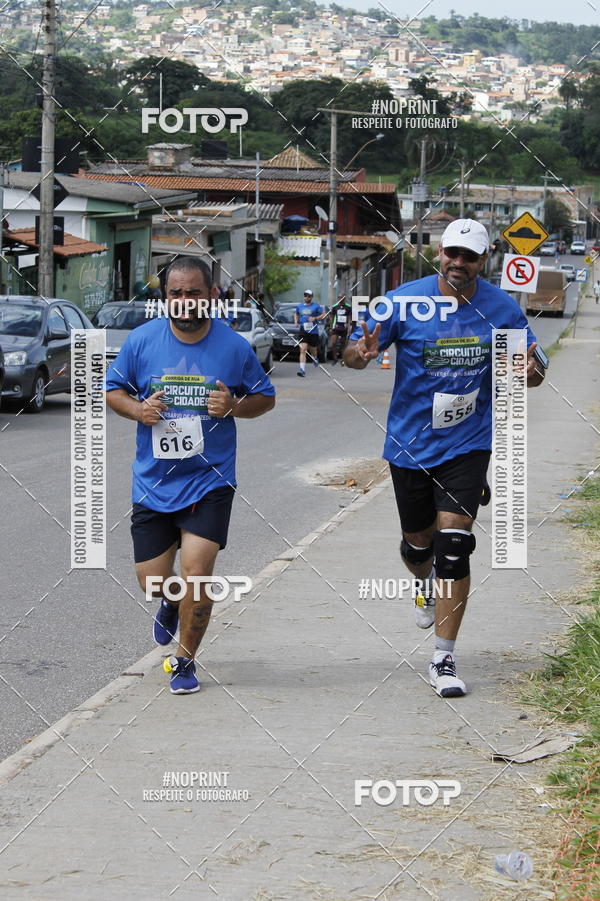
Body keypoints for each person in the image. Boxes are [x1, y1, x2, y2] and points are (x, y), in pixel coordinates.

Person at [344, 219, 545, 698]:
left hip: (468, 442)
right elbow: (352, 353)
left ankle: (443, 658)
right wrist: (361, 353)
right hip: (410, 444)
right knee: (418, 546)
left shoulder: (502, 308)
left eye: (469, 256)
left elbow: (534, 370)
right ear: (439, 252)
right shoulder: (403, 302)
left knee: (454, 544)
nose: (459, 262)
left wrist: (528, 370)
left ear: (484, 259)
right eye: (453, 253)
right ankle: (425, 580)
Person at [105, 257, 276, 694]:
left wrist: (234, 406)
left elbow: (265, 397)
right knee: (152, 580)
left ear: (212, 295)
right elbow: (113, 390)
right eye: (175, 294)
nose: (184, 302)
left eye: (193, 293)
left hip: (209, 480)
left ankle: (184, 661)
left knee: (197, 575)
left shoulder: (233, 347)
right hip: (154, 483)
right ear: (165, 297)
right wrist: (138, 410)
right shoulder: (142, 341)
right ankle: (168, 598)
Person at [294, 289, 326, 376]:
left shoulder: (316, 306)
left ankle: (314, 358)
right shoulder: (300, 306)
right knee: (303, 349)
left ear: (311, 297)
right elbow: (296, 313)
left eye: (308, 296)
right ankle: (302, 370)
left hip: (313, 331)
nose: (306, 297)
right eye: (305, 296)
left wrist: (315, 318)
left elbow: (324, 314)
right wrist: (296, 322)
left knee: (313, 350)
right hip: (303, 330)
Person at [328, 294, 354, 365]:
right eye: (339, 297)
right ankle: (335, 358)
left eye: (342, 297)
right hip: (336, 327)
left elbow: (349, 318)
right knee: (334, 343)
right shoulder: (335, 306)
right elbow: (332, 317)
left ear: (344, 298)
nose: (340, 298)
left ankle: (343, 359)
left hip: (344, 327)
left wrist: (349, 327)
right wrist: (331, 327)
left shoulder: (348, 307)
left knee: (343, 344)